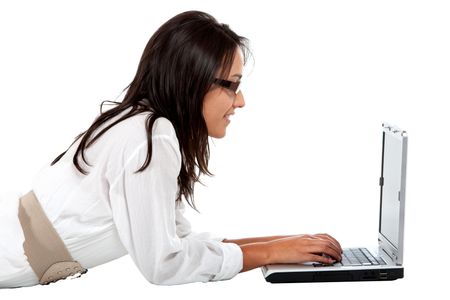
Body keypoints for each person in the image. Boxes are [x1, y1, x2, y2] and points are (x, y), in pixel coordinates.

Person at [0, 10, 342, 288]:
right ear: (192, 80)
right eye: (233, 85)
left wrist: (286, 245)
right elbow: (165, 264)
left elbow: (179, 241)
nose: (240, 101)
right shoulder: (150, 137)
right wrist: (272, 252)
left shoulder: (142, 126)